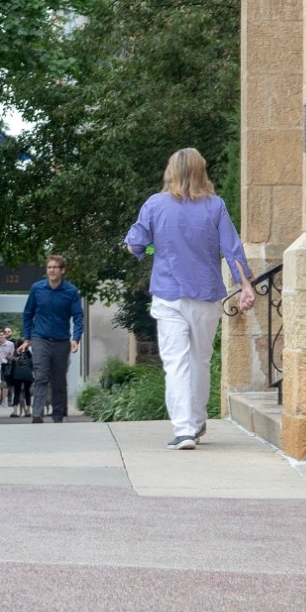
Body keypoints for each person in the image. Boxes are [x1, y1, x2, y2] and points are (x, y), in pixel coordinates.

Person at [125, 147, 256, 450]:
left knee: (176, 363)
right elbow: (232, 249)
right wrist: (246, 286)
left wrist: (138, 248)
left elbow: (136, 244)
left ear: (171, 170)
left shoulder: (155, 204)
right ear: (201, 170)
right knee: (200, 360)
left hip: (169, 295)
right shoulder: (215, 206)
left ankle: (184, 429)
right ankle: (196, 422)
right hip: (206, 295)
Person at [19, 254, 83, 424]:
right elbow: (28, 314)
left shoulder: (70, 291)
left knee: (58, 380)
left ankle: (57, 415)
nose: (52, 270)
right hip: (40, 339)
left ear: (62, 270)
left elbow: (78, 316)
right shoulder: (37, 289)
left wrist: (76, 338)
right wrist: (27, 338)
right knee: (41, 375)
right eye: (49, 267)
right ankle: (37, 414)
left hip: (62, 341)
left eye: (55, 267)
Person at [0, 327, 16, 409]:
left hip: (6, 366)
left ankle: (4, 400)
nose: (1, 337)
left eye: (2, 335)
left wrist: (10, 356)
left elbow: (12, 356)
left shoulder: (11, 344)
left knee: (5, 385)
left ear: (5, 336)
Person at [9, 340, 34, 418]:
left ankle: (15, 411)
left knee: (17, 392)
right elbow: (32, 363)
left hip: (17, 375)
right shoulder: (28, 353)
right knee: (27, 392)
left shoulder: (16, 352)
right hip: (27, 374)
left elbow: (12, 365)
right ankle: (28, 411)